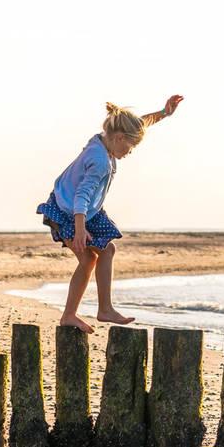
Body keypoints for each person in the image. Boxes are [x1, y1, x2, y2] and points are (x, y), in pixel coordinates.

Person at [37, 98, 182, 333]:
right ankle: (73, 314)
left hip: (85, 209)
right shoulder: (100, 161)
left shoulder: (104, 138)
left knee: (107, 250)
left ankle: (103, 309)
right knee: (87, 259)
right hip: (69, 210)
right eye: (130, 147)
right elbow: (82, 196)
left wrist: (163, 113)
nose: (130, 152)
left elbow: (138, 124)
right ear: (119, 139)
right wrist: (80, 229)